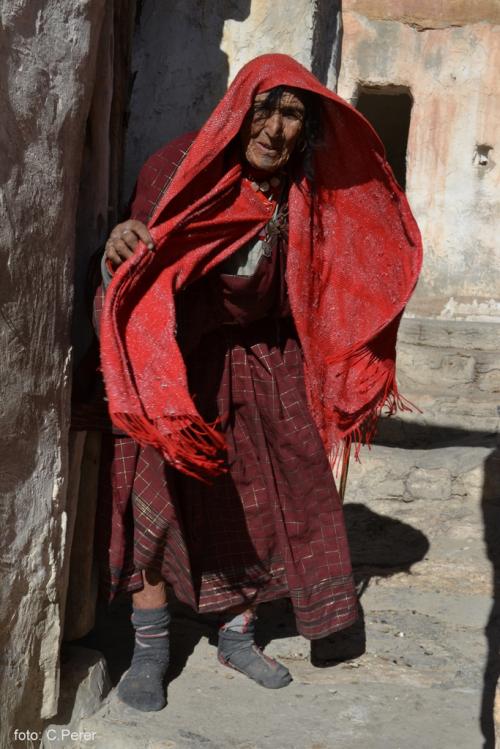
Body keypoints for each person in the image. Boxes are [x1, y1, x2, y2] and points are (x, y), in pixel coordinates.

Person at [95, 54, 422, 712]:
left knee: (265, 496)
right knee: (152, 495)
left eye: (293, 114)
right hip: (181, 360)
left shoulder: (307, 196)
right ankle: (151, 647)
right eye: (264, 110)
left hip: (268, 360)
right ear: (240, 112)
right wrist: (120, 245)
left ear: (309, 129)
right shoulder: (178, 171)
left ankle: (237, 632)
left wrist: (348, 368)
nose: (274, 128)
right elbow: (136, 263)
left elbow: (344, 279)